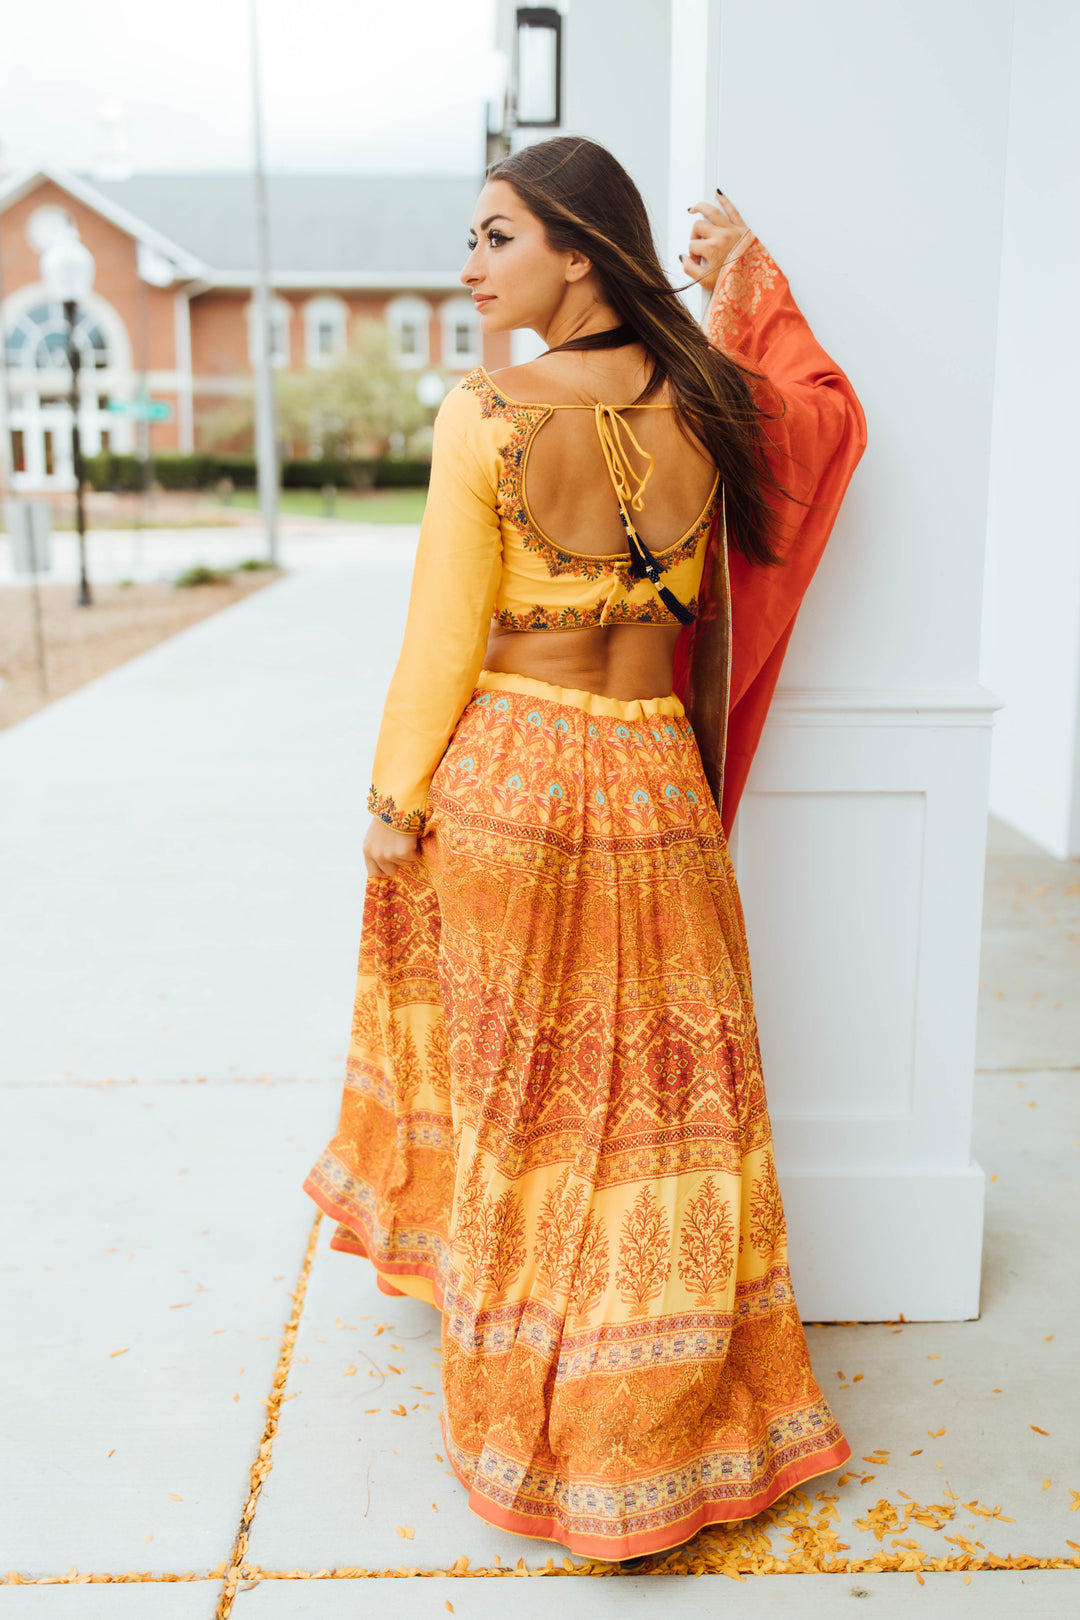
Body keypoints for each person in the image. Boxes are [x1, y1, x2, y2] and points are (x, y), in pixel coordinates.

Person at [303, 136, 867, 1564]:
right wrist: (750, 275)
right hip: (652, 783)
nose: (470, 265)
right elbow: (827, 414)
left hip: (506, 777)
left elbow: (441, 637)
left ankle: (527, 1417)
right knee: (665, 1113)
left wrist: (391, 803)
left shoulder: (485, 411)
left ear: (579, 252)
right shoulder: (720, 406)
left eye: (496, 238)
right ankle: (651, 1422)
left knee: (524, 1106)